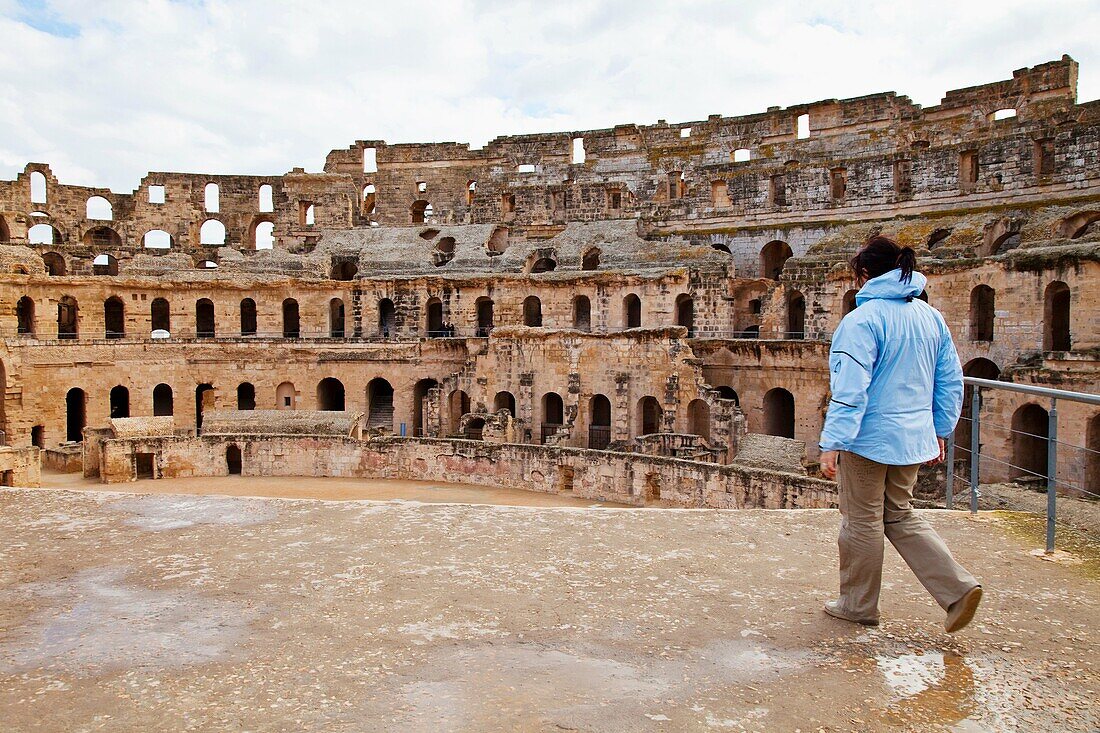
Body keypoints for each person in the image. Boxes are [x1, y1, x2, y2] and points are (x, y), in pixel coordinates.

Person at [819, 235, 982, 633]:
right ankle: (957, 589)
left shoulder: (861, 321)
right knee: (899, 514)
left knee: (861, 520)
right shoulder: (930, 317)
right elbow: (950, 381)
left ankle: (857, 605)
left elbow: (850, 389)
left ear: (863, 274)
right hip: (913, 436)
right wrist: (940, 430)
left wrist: (833, 442)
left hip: (867, 438)